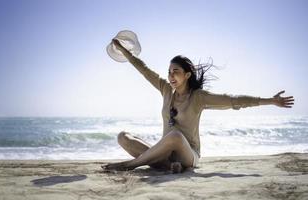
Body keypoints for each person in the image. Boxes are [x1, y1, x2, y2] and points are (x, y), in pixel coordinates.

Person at [101, 38, 295, 173]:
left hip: (189, 155)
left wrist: (270, 100)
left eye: (175, 71)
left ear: (187, 75)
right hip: (166, 155)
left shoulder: (199, 97)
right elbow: (143, 68)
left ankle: (130, 165)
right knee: (124, 137)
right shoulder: (166, 89)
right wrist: (123, 49)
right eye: (169, 72)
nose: (170, 76)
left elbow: (234, 101)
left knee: (175, 136)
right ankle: (169, 167)